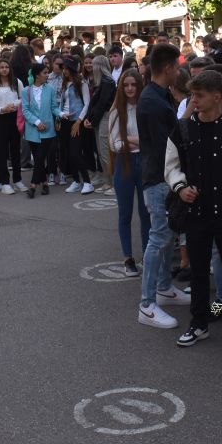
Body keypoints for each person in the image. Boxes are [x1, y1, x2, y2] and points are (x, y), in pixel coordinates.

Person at [165, 69, 222, 351]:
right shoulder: (183, 128)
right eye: (192, 94)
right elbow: (170, 165)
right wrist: (181, 187)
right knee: (199, 271)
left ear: (217, 96)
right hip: (196, 213)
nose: (194, 100)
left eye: (199, 95)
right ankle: (199, 323)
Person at [136, 43, 190, 329]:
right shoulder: (152, 101)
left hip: (163, 177)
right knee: (159, 238)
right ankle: (147, 305)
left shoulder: (159, 95)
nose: (179, 72)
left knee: (167, 236)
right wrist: (188, 115)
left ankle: (164, 288)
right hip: (158, 179)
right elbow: (168, 144)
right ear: (168, 68)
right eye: (177, 67)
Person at [110, 69, 151, 275]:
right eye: (126, 85)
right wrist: (138, 142)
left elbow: (152, 141)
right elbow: (115, 144)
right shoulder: (117, 111)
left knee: (146, 213)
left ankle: (147, 255)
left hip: (144, 163)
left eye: (133, 84)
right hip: (124, 164)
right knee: (125, 213)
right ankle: (128, 258)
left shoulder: (146, 108)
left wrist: (128, 139)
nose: (129, 88)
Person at [21, 61, 58, 198]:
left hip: (48, 129)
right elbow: (25, 110)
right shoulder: (26, 91)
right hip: (32, 130)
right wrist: (36, 122)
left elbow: (54, 107)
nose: (48, 75)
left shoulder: (50, 89)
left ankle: (33, 186)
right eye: (45, 73)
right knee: (38, 159)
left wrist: (61, 114)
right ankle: (45, 183)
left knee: (40, 157)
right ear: (37, 75)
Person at [0, 59, 24, 194]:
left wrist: (13, 105)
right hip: (1, 119)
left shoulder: (17, 82)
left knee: (16, 150)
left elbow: (23, 99)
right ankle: (5, 182)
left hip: (14, 118)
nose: (4, 69)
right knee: (2, 152)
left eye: (6, 67)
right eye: (1, 67)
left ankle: (18, 179)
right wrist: (3, 109)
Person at [58, 59, 92, 194]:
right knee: (68, 153)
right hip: (65, 120)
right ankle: (76, 181)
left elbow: (87, 103)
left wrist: (79, 121)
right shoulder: (65, 83)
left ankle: (87, 182)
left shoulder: (81, 82)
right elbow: (62, 102)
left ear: (72, 69)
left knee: (75, 153)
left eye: (66, 68)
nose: (64, 71)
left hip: (76, 121)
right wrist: (59, 116)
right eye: (63, 68)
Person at [84, 58, 116, 193]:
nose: (91, 67)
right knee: (101, 152)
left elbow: (102, 104)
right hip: (100, 118)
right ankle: (108, 182)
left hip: (104, 118)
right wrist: (89, 118)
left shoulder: (107, 82)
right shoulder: (102, 82)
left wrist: (91, 120)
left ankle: (113, 184)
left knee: (105, 153)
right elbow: (95, 103)